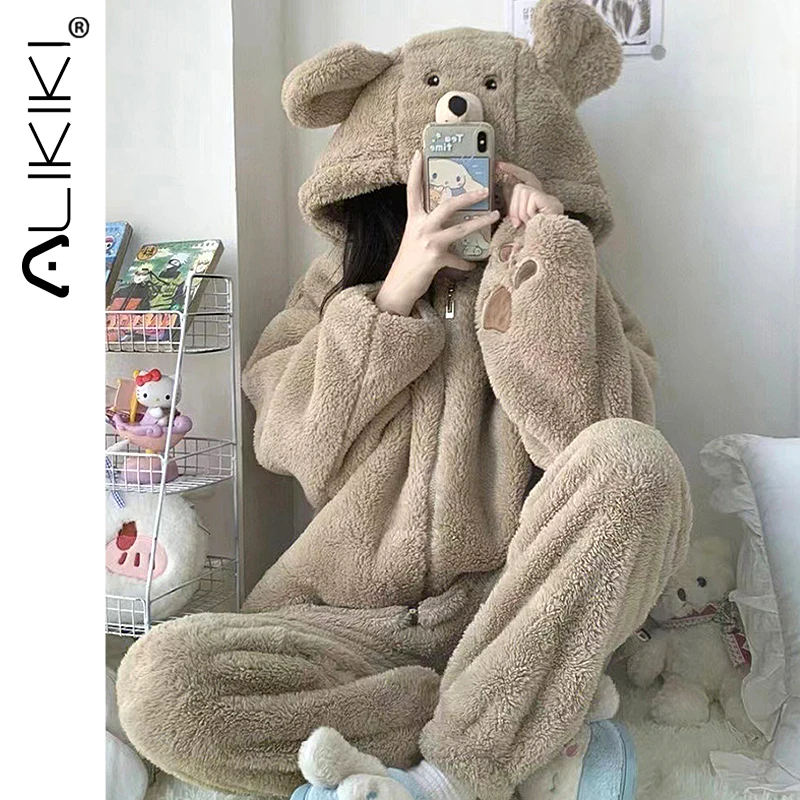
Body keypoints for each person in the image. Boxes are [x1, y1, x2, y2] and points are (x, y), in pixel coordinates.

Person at [117, 6, 692, 800]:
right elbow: (288, 440)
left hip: (510, 621)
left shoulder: (574, 281)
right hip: (345, 626)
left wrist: (548, 260)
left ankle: (455, 771)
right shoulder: (335, 287)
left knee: (635, 460)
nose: (466, 180)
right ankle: (499, 725)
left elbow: (589, 447)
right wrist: (396, 290)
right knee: (159, 686)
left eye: (486, 160)